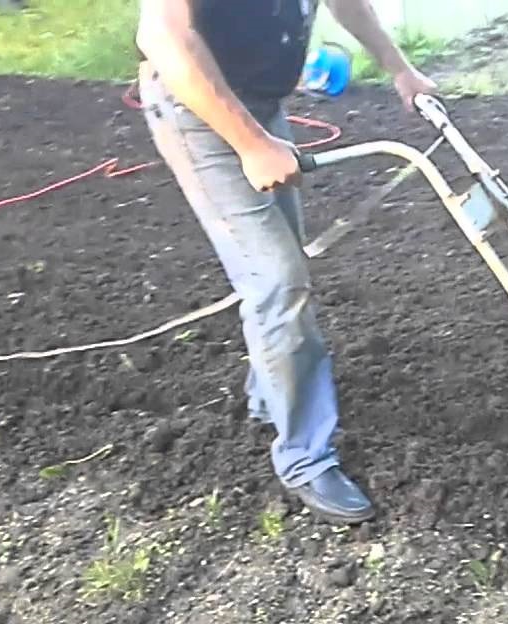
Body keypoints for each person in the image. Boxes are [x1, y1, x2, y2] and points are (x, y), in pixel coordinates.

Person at [134, 0, 436, 524]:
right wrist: (251, 144)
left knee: (278, 270)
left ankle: (267, 395)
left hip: (261, 104)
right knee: (277, 278)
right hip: (199, 108)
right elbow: (163, 36)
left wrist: (400, 69)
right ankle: (304, 457)